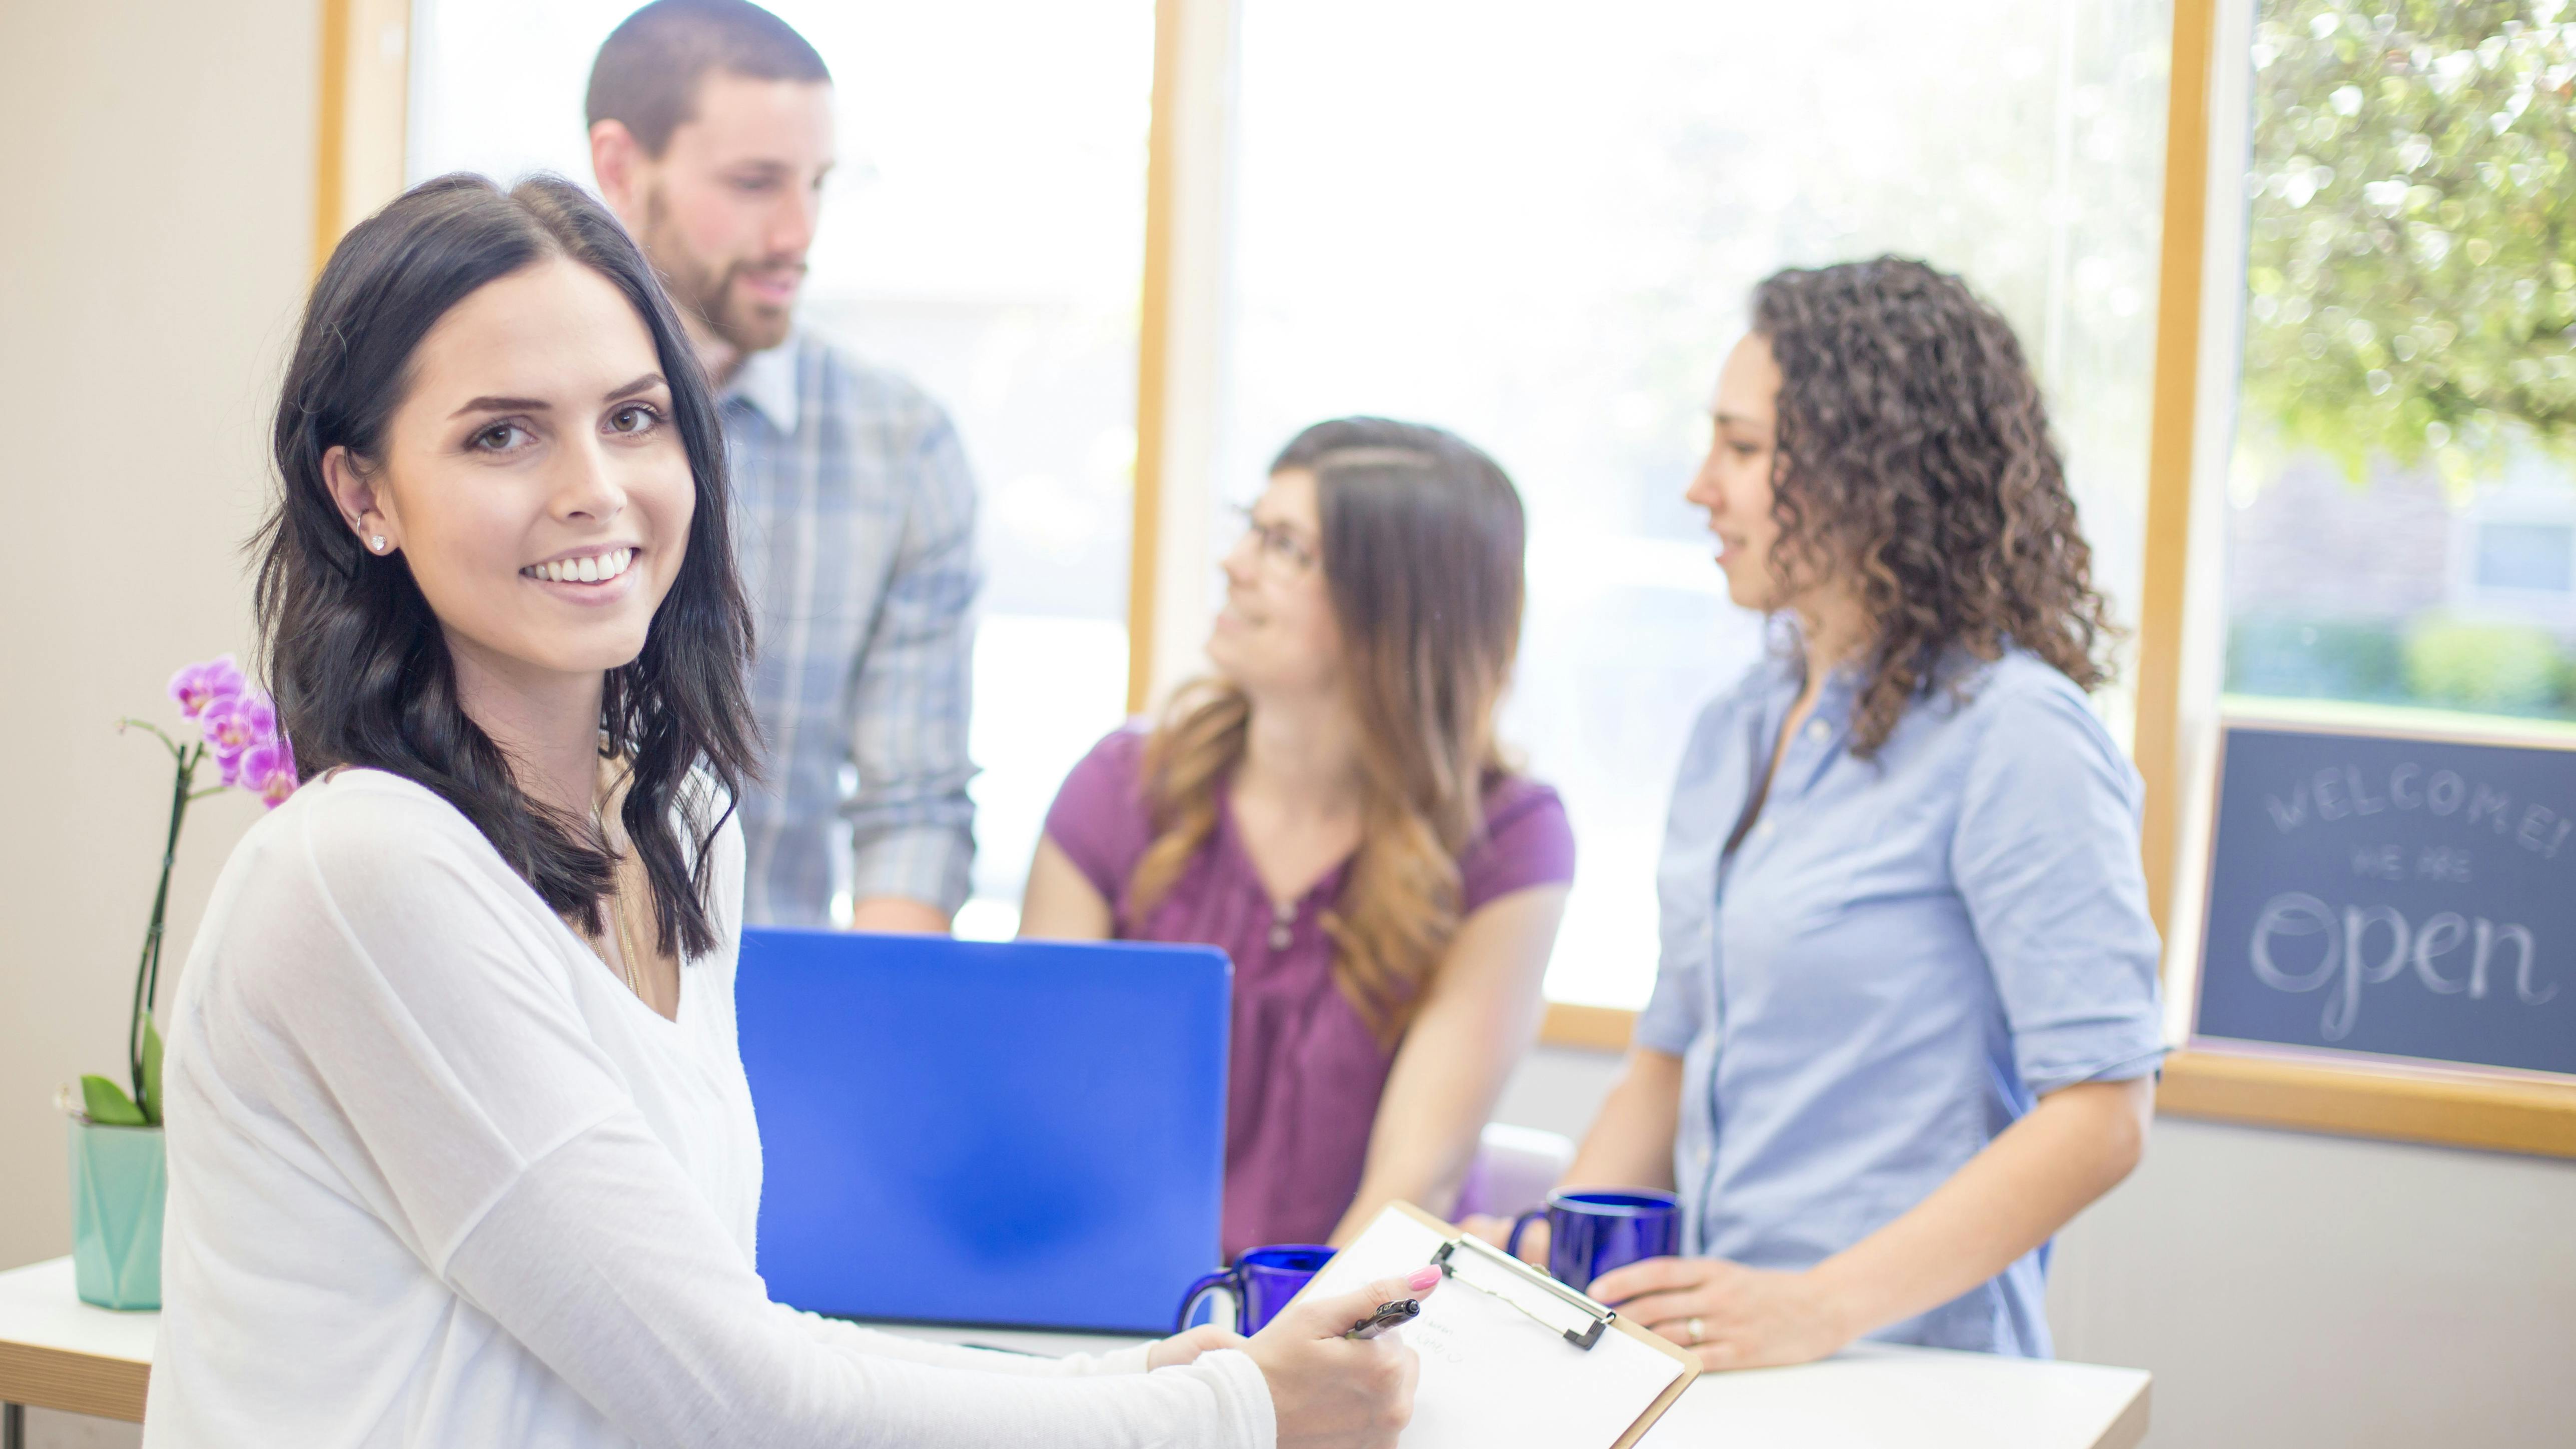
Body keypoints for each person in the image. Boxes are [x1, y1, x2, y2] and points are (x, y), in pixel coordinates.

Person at [145, 173, 1431, 1449]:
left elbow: (733, 1333)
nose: (594, 486)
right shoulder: (366, 868)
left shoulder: (678, 815)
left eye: (634, 418)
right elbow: (729, 1394)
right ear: (363, 494)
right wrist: (1226, 1415)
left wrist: (1140, 1389)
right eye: (502, 435)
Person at [1472, 258, 2164, 1367]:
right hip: (1715, 1354)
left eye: (1743, 450)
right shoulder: (1734, 729)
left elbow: (2101, 1114)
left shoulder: (2015, 735)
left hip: (1914, 1367)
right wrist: (1539, 1271)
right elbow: (1664, 1063)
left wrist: (1820, 1306)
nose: (1702, 486)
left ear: (1873, 470)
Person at [1021, 418, 1575, 1259]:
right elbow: (1038, 1110)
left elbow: (1413, 1183)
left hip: (1350, 1330)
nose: (1234, 563)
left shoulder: (1509, 839)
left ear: (1389, 603)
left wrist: (1280, 1360)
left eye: (1285, 547)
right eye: (1252, 527)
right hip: (1120, 1327)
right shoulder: (1120, 788)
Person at [586, 0, 975, 932]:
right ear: (620, 169)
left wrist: (870, 1038)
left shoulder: (902, 446)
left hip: (773, 1025)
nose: (798, 232)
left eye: (818, 184)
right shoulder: (500, 422)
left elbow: (911, 813)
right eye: (756, 183)